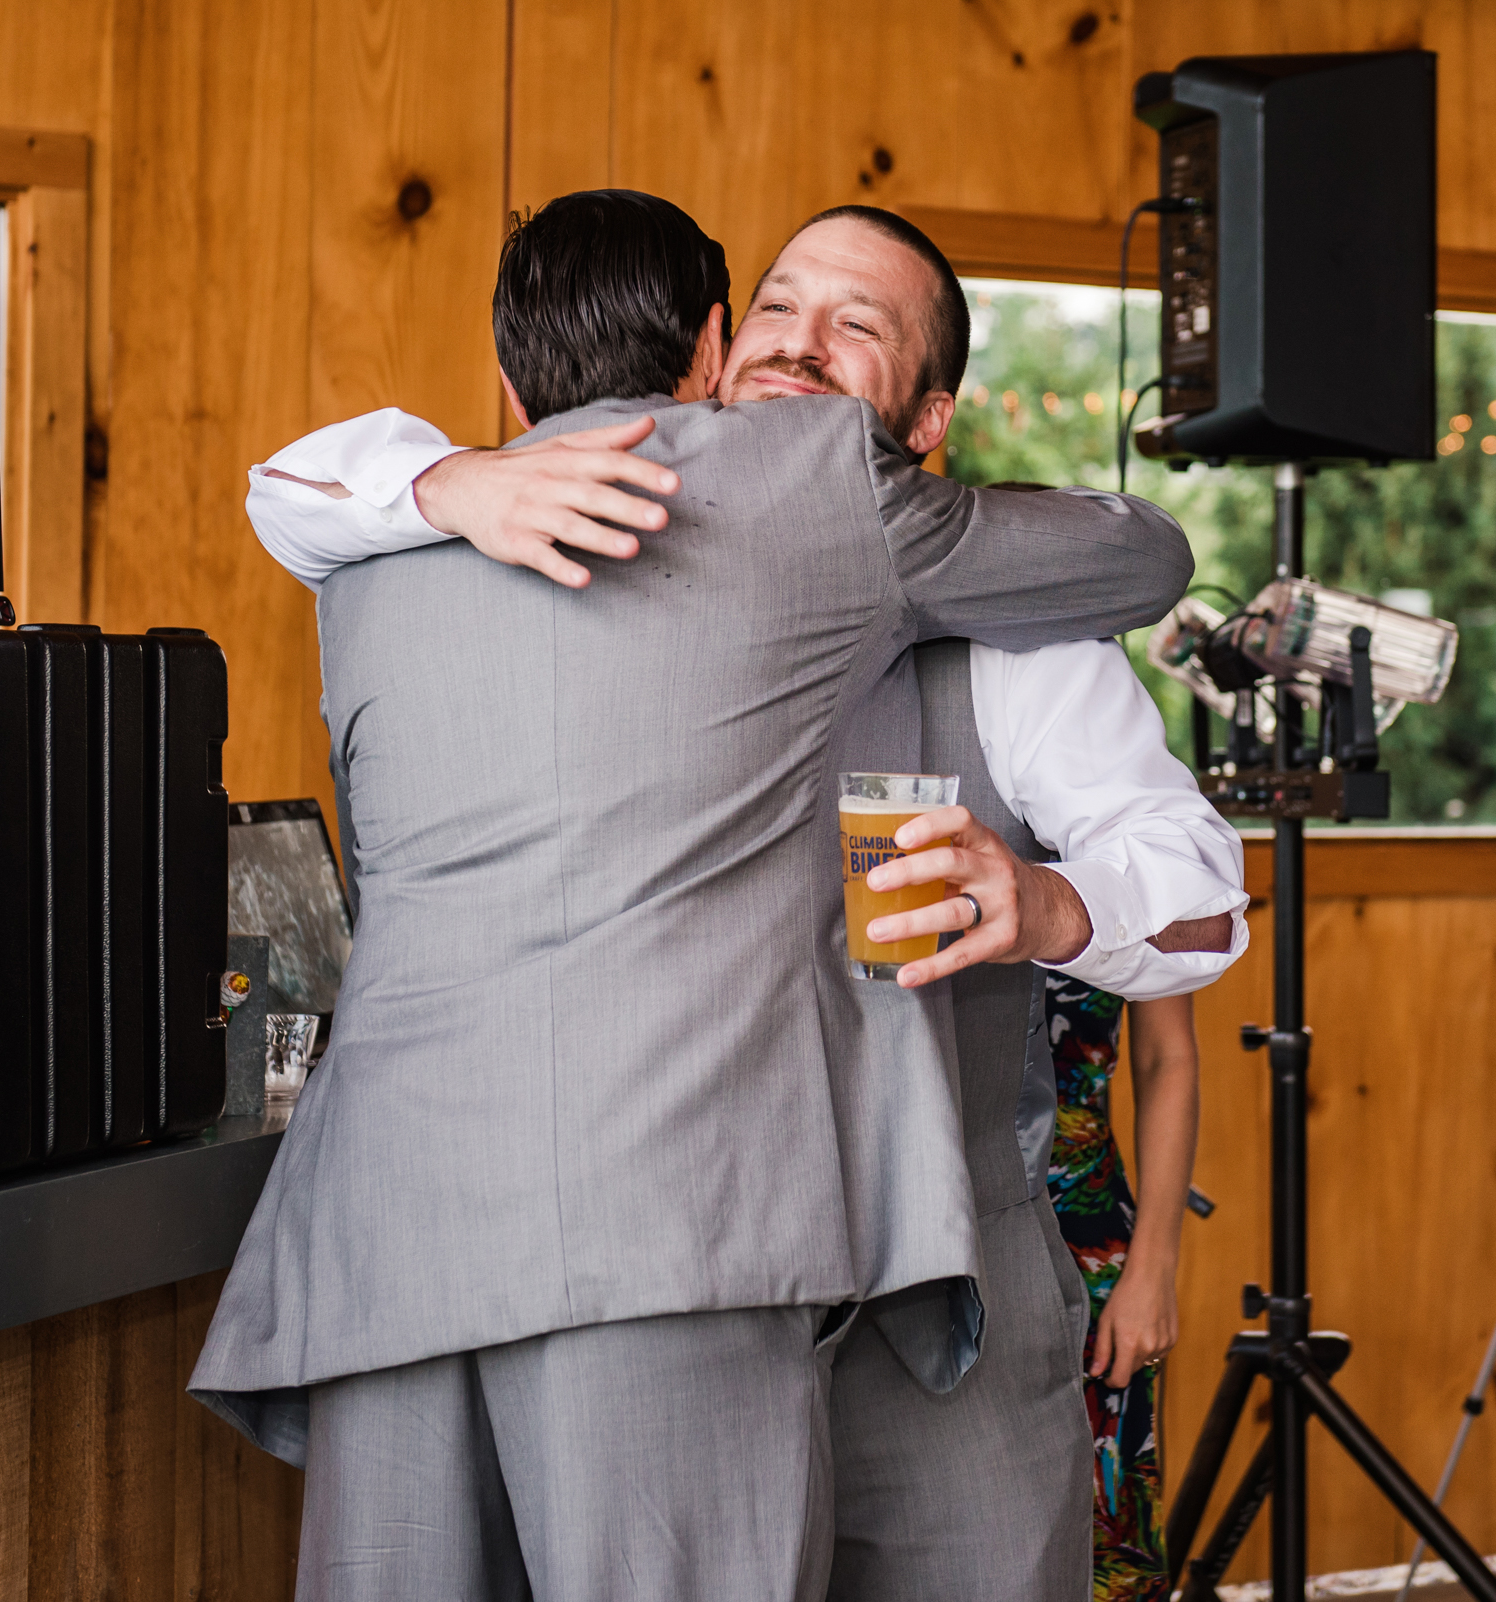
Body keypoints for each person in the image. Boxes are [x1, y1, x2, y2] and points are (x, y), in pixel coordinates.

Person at [189, 190, 1200, 1602]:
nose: (800, 345)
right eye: (780, 309)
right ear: (718, 349)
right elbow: (1150, 549)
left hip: (444, 1239)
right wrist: (443, 479)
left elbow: (1198, 884)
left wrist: (1049, 907)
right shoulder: (706, 503)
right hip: (679, 1244)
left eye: (856, 328)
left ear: (926, 425)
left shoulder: (369, 568)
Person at [1046, 983, 1202, 1601]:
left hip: (1085, 1237)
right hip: (908, 1228)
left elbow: (1168, 1054)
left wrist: (1154, 1266)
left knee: (1104, 1552)